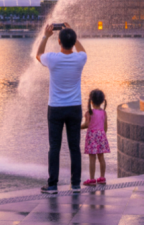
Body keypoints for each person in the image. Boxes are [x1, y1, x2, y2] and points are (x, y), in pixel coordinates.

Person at [36, 23, 87, 194]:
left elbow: (38, 55)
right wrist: (73, 34)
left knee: (54, 147)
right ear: (73, 42)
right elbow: (83, 51)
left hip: (56, 108)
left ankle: (52, 185)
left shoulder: (52, 58)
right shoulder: (80, 59)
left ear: (58, 41)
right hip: (74, 108)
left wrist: (45, 36)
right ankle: (76, 184)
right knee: (75, 147)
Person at [81, 89, 110, 186]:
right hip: (101, 136)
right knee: (101, 157)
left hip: (91, 137)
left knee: (92, 158)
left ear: (91, 101)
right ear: (102, 101)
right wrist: (102, 136)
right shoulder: (104, 113)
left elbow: (86, 124)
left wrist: (77, 127)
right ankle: (102, 178)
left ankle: (92, 179)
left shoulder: (89, 112)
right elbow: (105, 127)